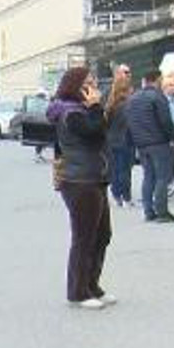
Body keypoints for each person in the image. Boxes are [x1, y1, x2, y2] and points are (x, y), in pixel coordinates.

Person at [49, 68, 115, 310]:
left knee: (102, 234)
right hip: (80, 180)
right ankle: (78, 291)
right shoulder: (71, 113)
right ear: (75, 86)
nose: (93, 87)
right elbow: (94, 133)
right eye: (88, 83)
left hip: (93, 177)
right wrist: (96, 107)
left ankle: (92, 284)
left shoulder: (79, 111)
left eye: (94, 82)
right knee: (84, 237)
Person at [126, 70, 174, 222]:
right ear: (158, 80)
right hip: (159, 143)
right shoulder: (158, 97)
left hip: (141, 144)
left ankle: (148, 211)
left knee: (148, 177)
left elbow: (129, 123)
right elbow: (165, 122)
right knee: (162, 177)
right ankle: (162, 212)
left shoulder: (133, 98)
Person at [105, 74, 135, 207]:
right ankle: (126, 196)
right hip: (126, 140)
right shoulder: (129, 105)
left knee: (114, 169)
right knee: (125, 170)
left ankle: (116, 194)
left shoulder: (110, 104)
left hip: (111, 140)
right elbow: (131, 124)